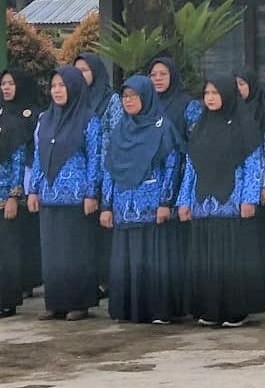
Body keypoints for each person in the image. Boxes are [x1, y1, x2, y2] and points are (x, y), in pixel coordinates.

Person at [178, 76, 265, 327]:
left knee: (232, 257)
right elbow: (190, 168)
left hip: (233, 203)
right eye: (207, 93)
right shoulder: (200, 128)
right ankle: (209, 309)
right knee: (206, 257)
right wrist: (184, 201)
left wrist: (249, 198)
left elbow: (253, 165)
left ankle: (235, 310)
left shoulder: (244, 126)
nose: (211, 98)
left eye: (216, 93)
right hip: (203, 203)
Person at [100, 76, 186, 325]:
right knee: (126, 258)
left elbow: (173, 166)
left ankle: (158, 310)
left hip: (152, 206)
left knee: (153, 257)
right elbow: (110, 169)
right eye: (125, 96)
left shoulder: (162, 127)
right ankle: (128, 309)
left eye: (133, 96)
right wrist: (107, 205)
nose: (128, 101)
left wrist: (166, 202)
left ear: (146, 97)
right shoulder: (120, 130)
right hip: (123, 207)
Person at [27, 66, 102, 321]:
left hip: (77, 197)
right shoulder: (45, 119)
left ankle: (78, 303)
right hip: (49, 195)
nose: (57, 90)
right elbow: (39, 157)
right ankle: (55, 302)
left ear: (74, 87)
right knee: (52, 251)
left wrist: (92, 193)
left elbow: (95, 158)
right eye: (53, 86)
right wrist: (33, 190)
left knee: (76, 250)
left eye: (62, 85)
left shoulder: (88, 119)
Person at [146, 55, 200, 319]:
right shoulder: (147, 105)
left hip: (180, 181)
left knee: (178, 246)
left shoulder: (187, 104)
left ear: (173, 76)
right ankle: (160, 304)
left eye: (162, 74)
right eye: (153, 75)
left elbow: (195, 144)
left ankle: (182, 303)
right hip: (150, 186)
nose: (157, 79)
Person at [74, 52, 123, 299]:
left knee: (106, 229)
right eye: (77, 71)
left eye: (85, 70)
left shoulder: (111, 100)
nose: (81, 75)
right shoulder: (75, 101)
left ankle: (108, 279)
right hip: (82, 179)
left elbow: (115, 137)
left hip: (106, 172)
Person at [235, 69, 265, 300]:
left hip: (259, 185)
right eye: (235, 85)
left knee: (259, 235)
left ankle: (264, 286)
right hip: (236, 188)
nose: (239, 89)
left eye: (242, 84)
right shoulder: (230, 114)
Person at [1, 69, 42, 306]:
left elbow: (18, 157)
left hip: (20, 186)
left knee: (14, 243)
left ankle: (14, 292)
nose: (6, 88)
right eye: (3, 83)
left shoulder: (33, 114)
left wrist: (14, 195)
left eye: (10, 83)